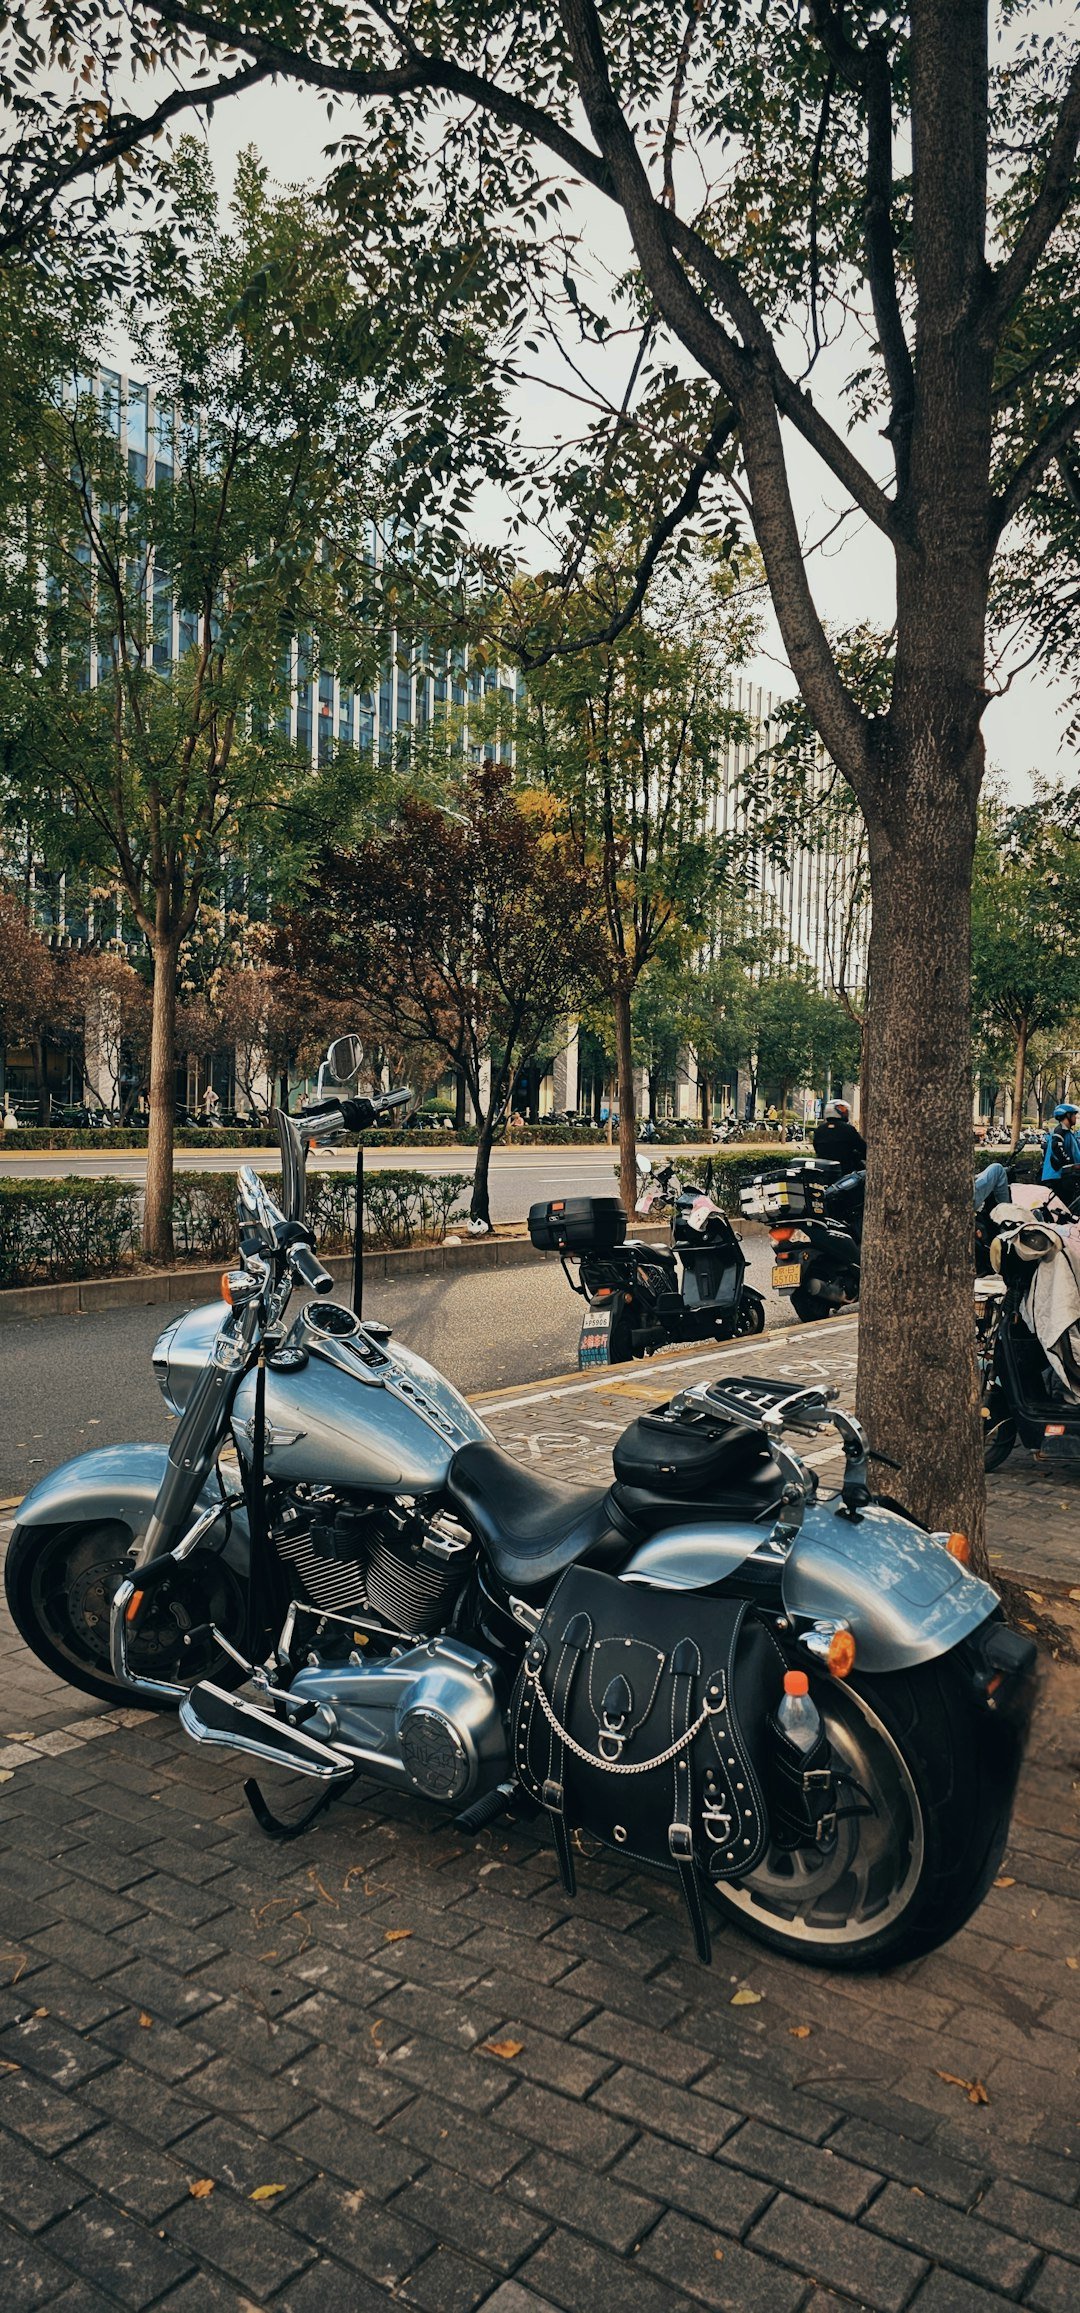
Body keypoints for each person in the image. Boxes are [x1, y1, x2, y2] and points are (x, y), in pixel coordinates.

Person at [812, 1098, 867, 1173]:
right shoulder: (848, 1129)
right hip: (846, 1168)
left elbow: (816, 1147)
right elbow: (861, 1147)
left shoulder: (819, 1129)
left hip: (824, 1168)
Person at [1042, 1102, 1080, 1196]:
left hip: (1066, 1176)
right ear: (1067, 1115)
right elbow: (1056, 1147)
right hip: (1057, 1177)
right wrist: (1070, 1165)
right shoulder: (1060, 1131)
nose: (1075, 1117)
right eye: (1074, 1115)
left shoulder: (1068, 1133)